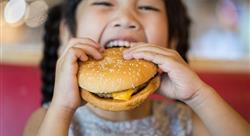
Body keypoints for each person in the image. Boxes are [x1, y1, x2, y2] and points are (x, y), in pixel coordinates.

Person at [23, 0, 250, 136]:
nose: (125, 18)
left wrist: (198, 95)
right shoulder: (50, 118)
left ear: (172, 41)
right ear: (67, 33)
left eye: (146, 6)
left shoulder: (185, 120)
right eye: (104, 2)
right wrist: (61, 107)